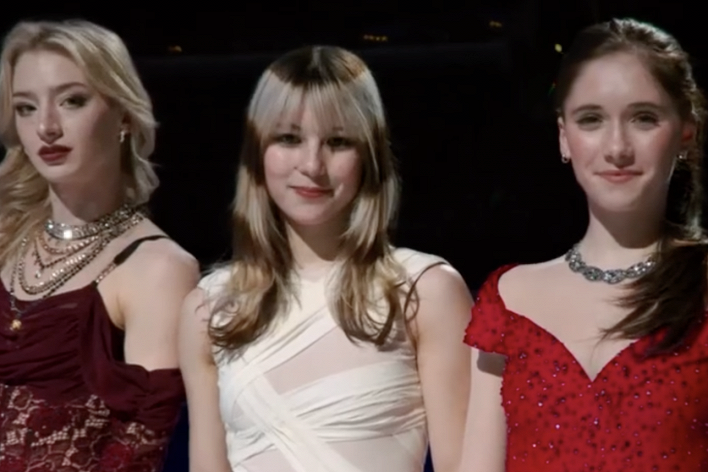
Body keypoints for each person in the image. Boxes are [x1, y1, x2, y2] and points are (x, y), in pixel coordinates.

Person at [179, 45, 473, 472]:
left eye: (338, 142)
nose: (312, 164)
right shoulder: (209, 308)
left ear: (368, 155)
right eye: (289, 138)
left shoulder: (425, 291)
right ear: (258, 152)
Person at [460, 18, 708, 472]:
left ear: (685, 132)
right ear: (563, 137)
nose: (617, 148)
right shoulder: (508, 300)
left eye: (644, 118)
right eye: (591, 119)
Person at [0, 20, 199, 471]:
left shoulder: (157, 269)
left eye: (72, 101)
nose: (46, 127)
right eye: (26, 108)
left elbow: (139, 451)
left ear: (124, 115)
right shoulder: (7, 240)